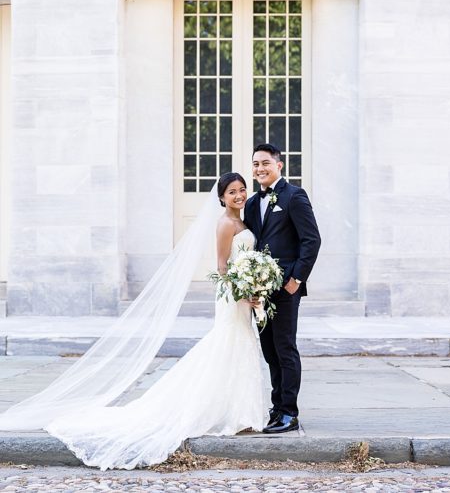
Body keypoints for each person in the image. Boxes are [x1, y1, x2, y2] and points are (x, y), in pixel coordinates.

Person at [0, 173, 270, 470]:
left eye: (242, 190)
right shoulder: (225, 224)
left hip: (245, 297)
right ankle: (229, 412)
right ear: (221, 197)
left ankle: (239, 411)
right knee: (227, 345)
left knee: (239, 347)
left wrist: (254, 287)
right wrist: (242, 293)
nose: (239, 195)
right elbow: (221, 267)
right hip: (232, 298)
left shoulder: (243, 222)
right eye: (232, 191)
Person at [245, 143, 321, 434]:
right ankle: (277, 408)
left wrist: (296, 279)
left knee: (285, 348)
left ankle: (290, 413)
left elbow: (311, 240)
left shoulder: (294, 196)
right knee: (269, 351)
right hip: (259, 291)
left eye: (265, 162)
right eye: (255, 164)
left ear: (279, 164)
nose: (260, 168)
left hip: (286, 287)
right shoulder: (252, 203)